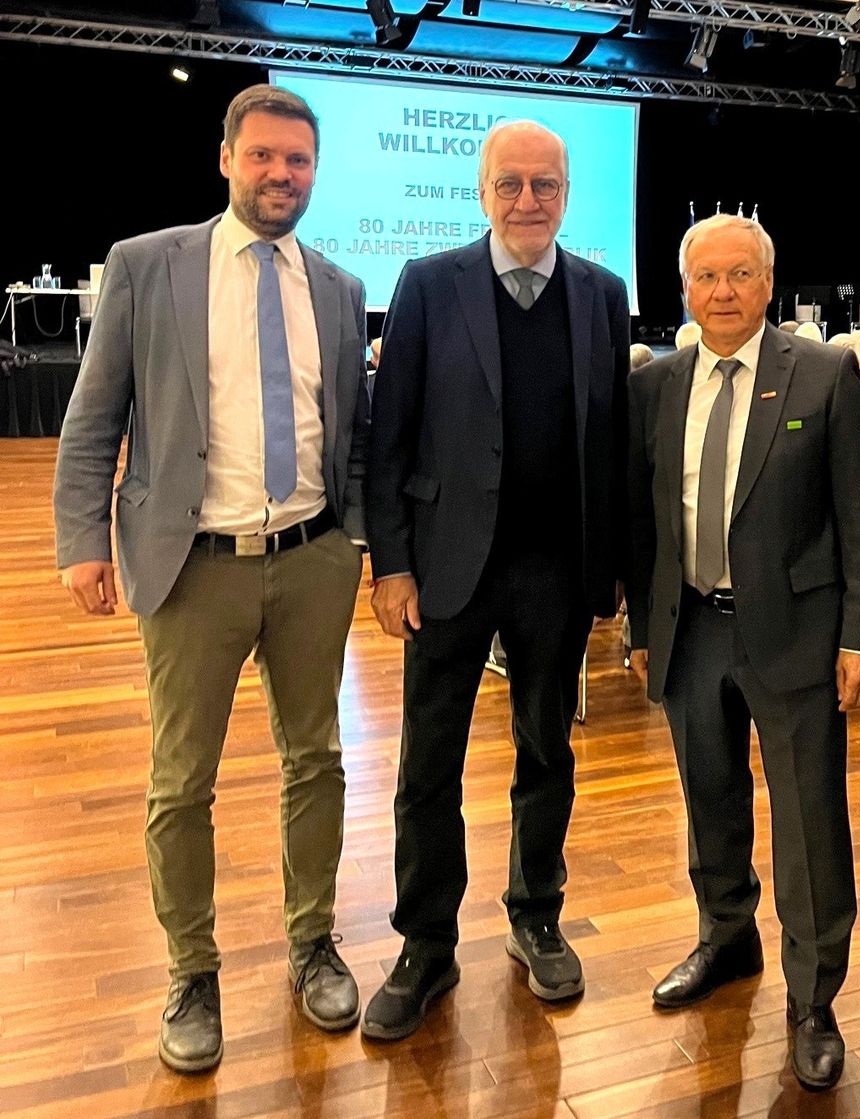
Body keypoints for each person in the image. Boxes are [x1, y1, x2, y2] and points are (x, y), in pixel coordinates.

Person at [53, 84, 369, 1073]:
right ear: (226, 158)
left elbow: (349, 436)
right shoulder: (149, 266)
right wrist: (82, 540)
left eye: (301, 161)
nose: (283, 175)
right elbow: (94, 416)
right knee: (181, 781)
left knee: (316, 759)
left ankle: (312, 941)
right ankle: (193, 969)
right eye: (266, 156)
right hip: (193, 567)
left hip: (313, 558)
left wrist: (355, 538)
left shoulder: (340, 286)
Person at [362, 119, 630, 1040]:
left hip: (556, 570)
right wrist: (390, 562)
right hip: (445, 567)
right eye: (510, 184)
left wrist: (613, 573)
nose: (528, 201)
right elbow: (387, 434)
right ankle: (426, 944)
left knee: (547, 752)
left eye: (545, 186)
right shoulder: (429, 285)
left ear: (566, 194)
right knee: (427, 764)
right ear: (481, 191)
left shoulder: (603, 294)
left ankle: (537, 914)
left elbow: (614, 442)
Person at [628, 214, 860, 1092]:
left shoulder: (822, 372)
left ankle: (814, 997)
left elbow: (859, 514)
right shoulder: (656, 385)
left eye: (740, 275)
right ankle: (725, 935)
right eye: (706, 277)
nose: (724, 292)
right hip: (692, 627)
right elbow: (644, 522)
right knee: (710, 795)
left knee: (809, 819)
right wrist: (640, 629)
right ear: (684, 289)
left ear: (769, 284)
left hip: (799, 634)